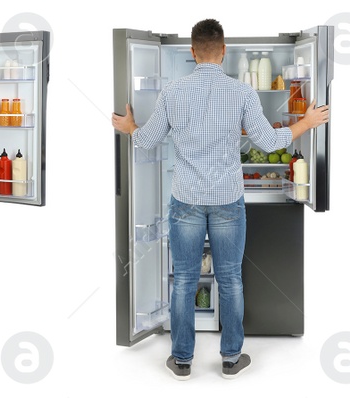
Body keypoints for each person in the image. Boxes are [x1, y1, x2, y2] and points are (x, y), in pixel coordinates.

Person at [111, 19, 329, 380]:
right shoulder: (242, 93)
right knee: (230, 278)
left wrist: (128, 127)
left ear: (193, 52)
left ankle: (181, 360)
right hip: (228, 199)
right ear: (224, 51)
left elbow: (146, 140)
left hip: (186, 200)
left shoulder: (172, 92)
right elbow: (270, 141)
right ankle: (231, 358)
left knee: (183, 278)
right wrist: (305, 123)